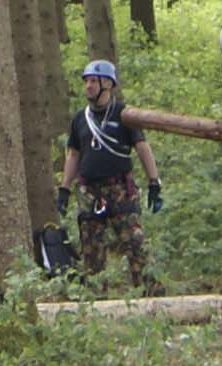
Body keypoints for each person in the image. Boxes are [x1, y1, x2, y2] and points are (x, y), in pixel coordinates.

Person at [59, 58, 161, 288]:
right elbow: (73, 154)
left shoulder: (125, 114)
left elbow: (142, 148)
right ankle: (95, 301)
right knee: (91, 251)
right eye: (86, 81)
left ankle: (150, 294)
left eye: (94, 81)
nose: (88, 86)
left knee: (135, 244)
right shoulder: (79, 119)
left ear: (108, 83)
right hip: (89, 192)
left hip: (120, 189)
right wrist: (64, 189)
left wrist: (154, 181)